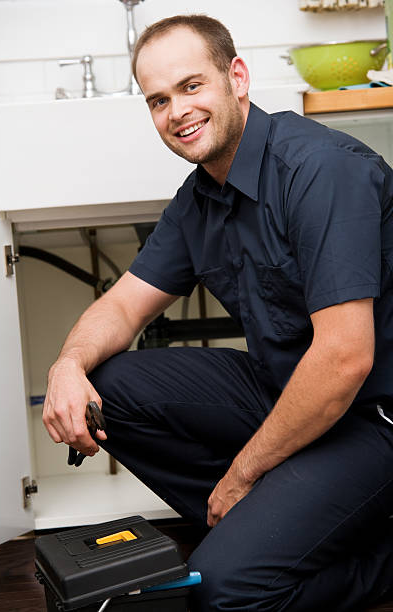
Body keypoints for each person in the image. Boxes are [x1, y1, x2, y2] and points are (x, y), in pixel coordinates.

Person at [43, 14, 393, 612]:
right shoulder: (202, 195)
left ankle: (369, 557)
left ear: (237, 78)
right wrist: (66, 365)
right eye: (158, 99)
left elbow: (342, 361)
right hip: (288, 394)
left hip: (372, 420)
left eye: (191, 86)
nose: (177, 110)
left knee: (225, 591)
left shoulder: (321, 171)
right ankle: (265, 527)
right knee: (108, 384)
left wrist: (242, 476)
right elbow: (125, 305)